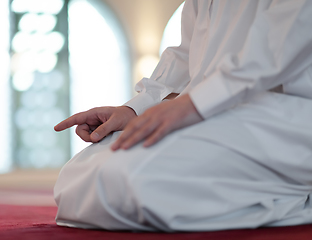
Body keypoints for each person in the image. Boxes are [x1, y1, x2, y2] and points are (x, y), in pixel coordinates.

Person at [53, 0, 312, 231]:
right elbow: (187, 55)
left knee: (131, 178)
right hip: (212, 108)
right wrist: (136, 110)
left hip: (283, 117)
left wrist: (194, 104)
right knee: (78, 173)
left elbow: (276, 45)